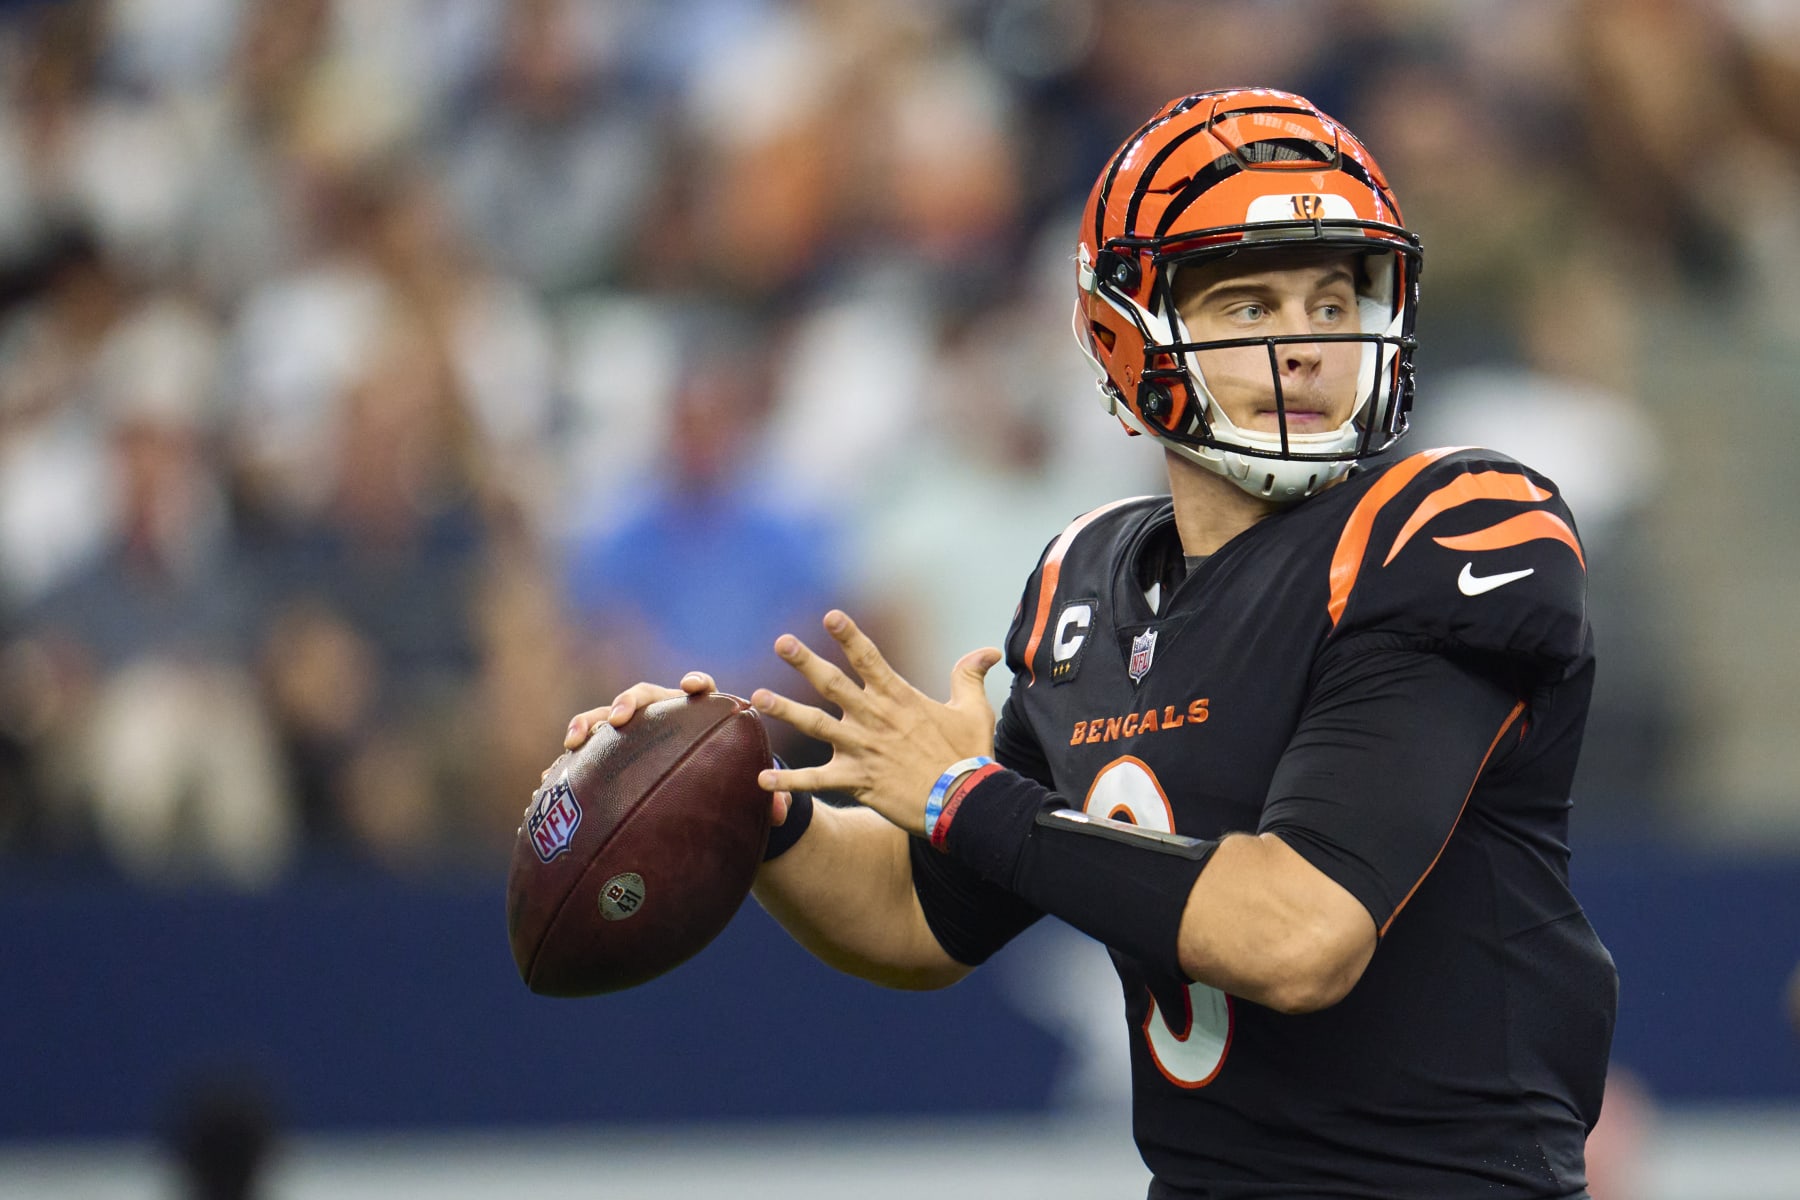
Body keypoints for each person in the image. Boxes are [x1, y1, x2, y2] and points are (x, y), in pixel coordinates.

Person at [561, 88, 1617, 1198]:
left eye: (1330, 296)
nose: (1306, 344)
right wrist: (747, 805)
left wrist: (961, 796)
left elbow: (1299, 935)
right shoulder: (1089, 582)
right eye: (1250, 306)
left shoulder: (1451, 526)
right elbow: (924, 915)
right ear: (1130, 330)